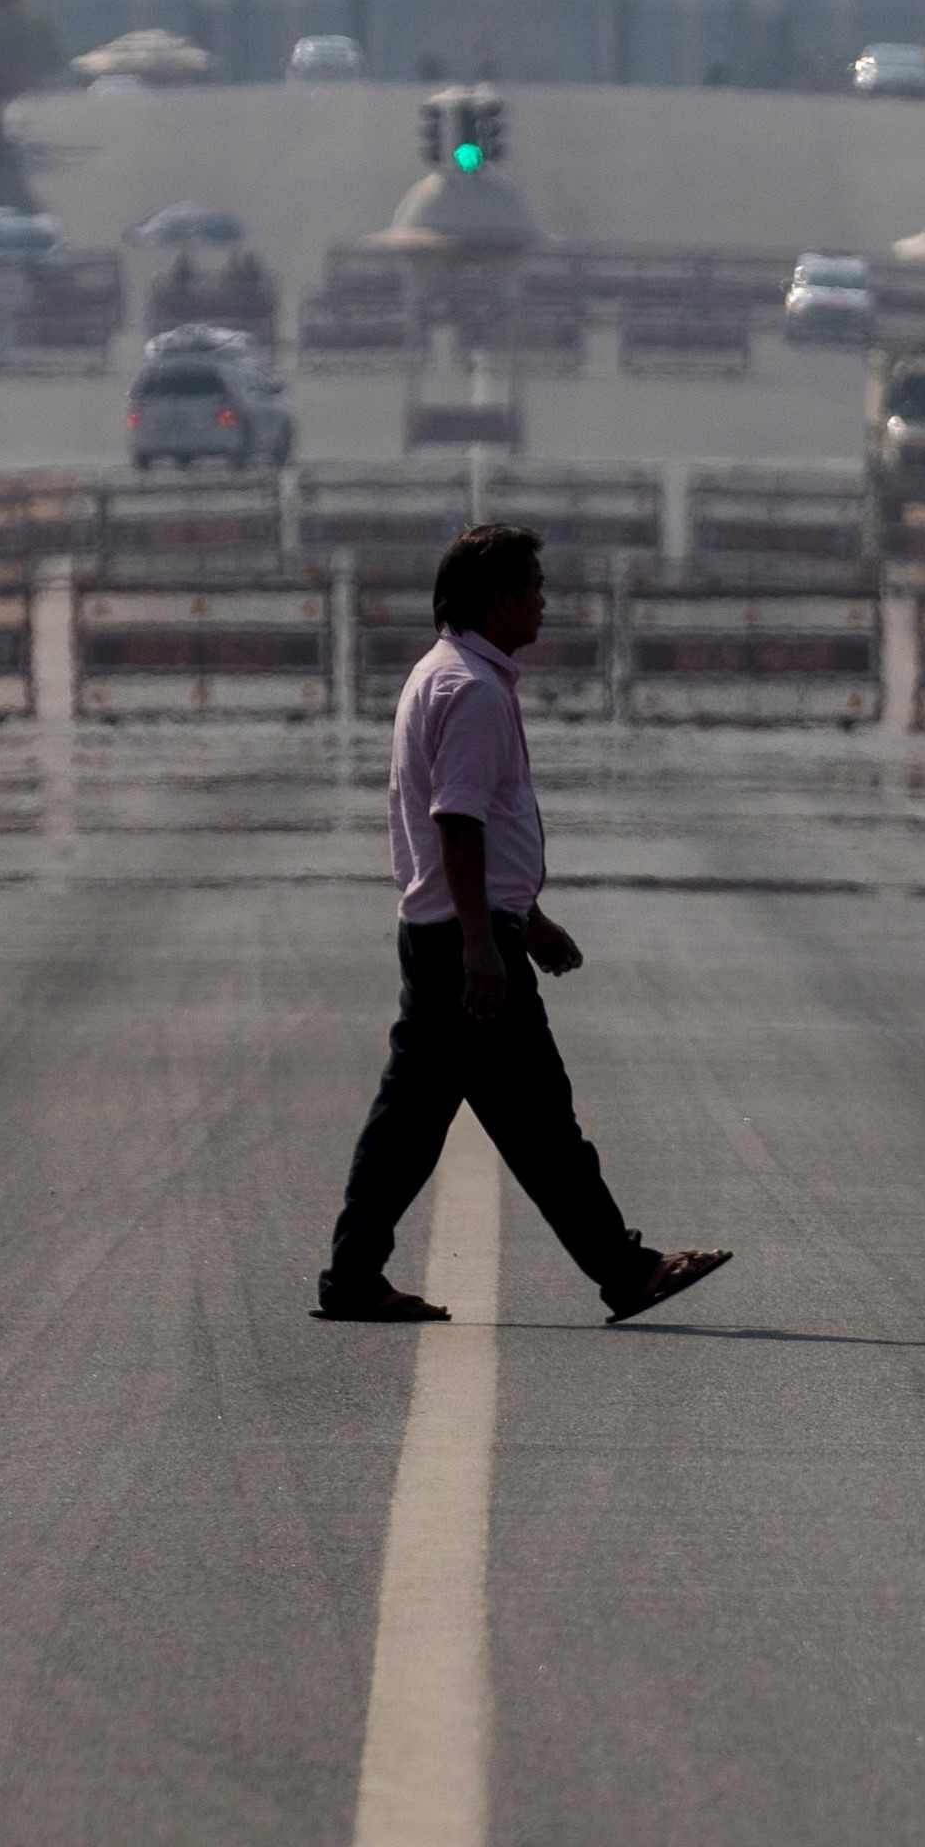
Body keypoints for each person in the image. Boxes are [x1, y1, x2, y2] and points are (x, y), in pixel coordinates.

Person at [317, 519, 729, 1327]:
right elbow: (459, 822)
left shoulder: (449, 675)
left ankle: (353, 1275)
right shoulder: (468, 691)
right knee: (538, 1121)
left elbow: (473, 828)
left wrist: (526, 918)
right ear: (497, 599)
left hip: (451, 931)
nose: (545, 602)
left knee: (414, 1126)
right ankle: (626, 1271)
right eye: (534, 588)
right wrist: (484, 944)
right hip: (461, 942)